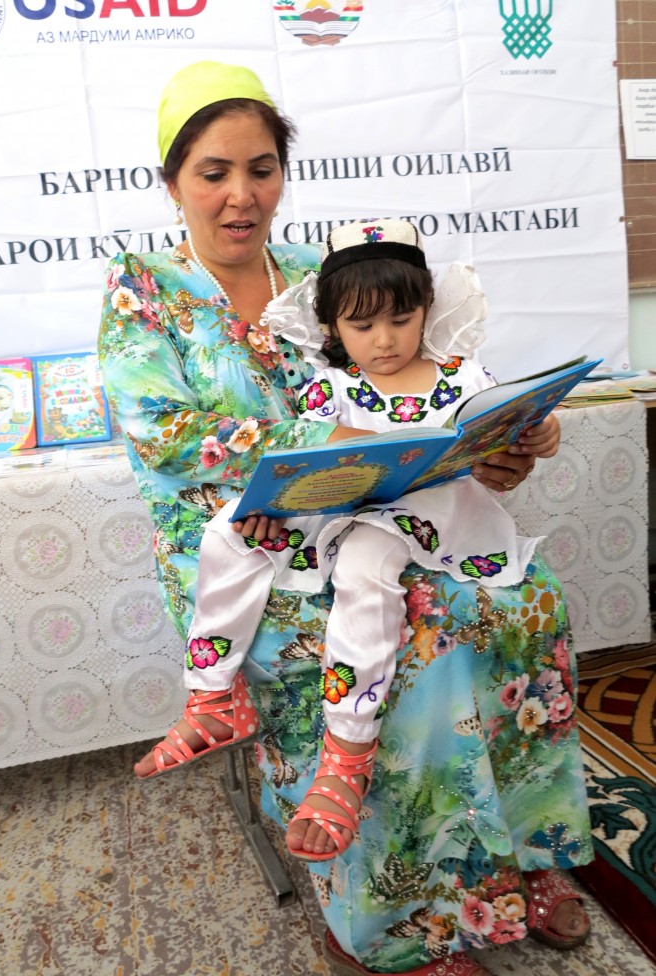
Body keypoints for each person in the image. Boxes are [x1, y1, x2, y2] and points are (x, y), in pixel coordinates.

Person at [98, 60, 593, 976]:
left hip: (380, 513)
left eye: (261, 168)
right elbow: (163, 437)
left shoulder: (320, 278)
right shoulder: (146, 293)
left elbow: (418, 390)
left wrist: (487, 449)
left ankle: (525, 855)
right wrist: (320, 435)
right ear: (173, 182)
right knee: (421, 637)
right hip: (247, 548)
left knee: (526, 604)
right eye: (214, 172)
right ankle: (395, 917)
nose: (241, 195)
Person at [134, 216, 559, 868]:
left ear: (426, 309)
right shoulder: (330, 388)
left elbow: (508, 422)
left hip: (429, 516)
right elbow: (305, 461)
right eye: (362, 326)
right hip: (350, 509)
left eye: (400, 318)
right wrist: (269, 506)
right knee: (230, 531)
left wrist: (539, 432)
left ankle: (348, 753)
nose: (384, 341)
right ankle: (213, 694)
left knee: (365, 567)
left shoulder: (459, 374)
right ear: (332, 328)